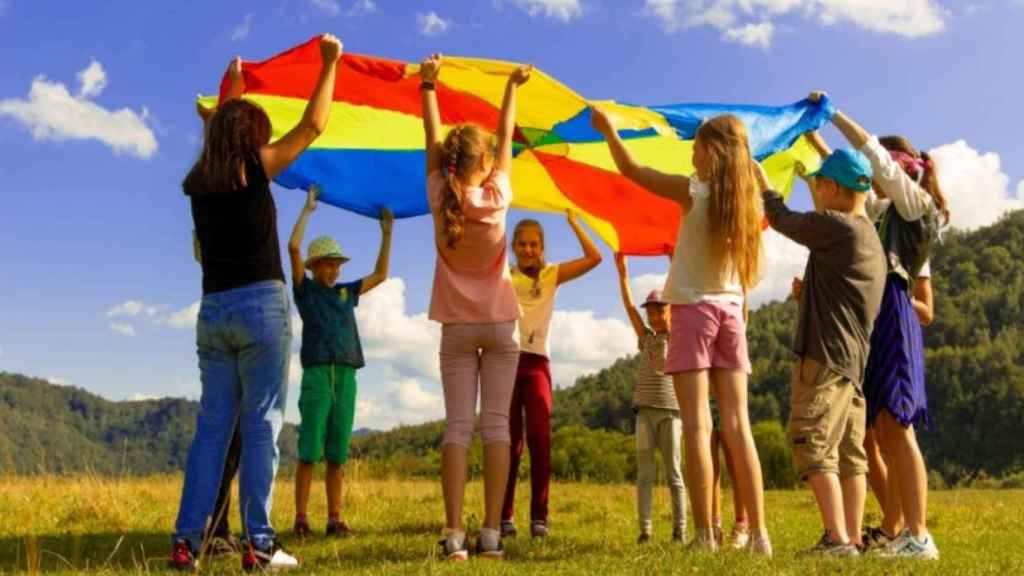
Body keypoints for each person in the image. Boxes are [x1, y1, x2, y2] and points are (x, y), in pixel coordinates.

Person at [170, 34, 342, 572]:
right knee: (263, 425)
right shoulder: (256, 168)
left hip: (213, 312)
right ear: (251, 137)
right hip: (260, 310)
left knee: (212, 430)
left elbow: (219, 136)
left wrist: (232, 92)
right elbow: (314, 125)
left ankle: (186, 542)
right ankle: (260, 545)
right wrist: (329, 65)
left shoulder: (199, 182)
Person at [591, 107, 772, 555]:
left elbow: (631, 168)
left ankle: (706, 536)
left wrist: (609, 130)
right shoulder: (750, 202)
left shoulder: (693, 191)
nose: (691, 153)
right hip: (731, 311)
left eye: (695, 146)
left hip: (692, 310)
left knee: (696, 425)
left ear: (712, 151)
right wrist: (752, 166)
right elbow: (761, 178)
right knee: (738, 425)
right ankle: (761, 537)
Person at [815, 93, 949, 560]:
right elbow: (850, 181)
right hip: (875, 314)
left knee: (898, 428)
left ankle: (918, 534)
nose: (873, 180)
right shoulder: (882, 212)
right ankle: (903, 533)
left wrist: (834, 116)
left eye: (882, 169)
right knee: (883, 430)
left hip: (894, 309)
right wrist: (812, 136)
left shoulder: (915, 207)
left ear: (900, 170)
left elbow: (869, 155)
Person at [420, 53, 531, 561]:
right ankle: (490, 533)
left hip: (456, 330)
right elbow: (508, 137)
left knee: (457, 428)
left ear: (448, 163)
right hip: (502, 327)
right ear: (484, 164)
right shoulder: (498, 196)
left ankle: (452, 534)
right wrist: (512, 86)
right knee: (497, 429)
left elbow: (432, 136)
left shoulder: (440, 195)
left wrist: (428, 86)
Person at [762, 142, 887, 556]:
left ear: (832, 187)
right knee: (851, 455)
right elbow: (845, 295)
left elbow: (781, 218)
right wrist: (810, 295)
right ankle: (851, 538)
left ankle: (835, 538)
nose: (816, 192)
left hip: (824, 357)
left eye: (819, 186)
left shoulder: (839, 226)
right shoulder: (868, 236)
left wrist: (765, 186)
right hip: (853, 365)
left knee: (812, 439)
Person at [287, 187, 393, 539]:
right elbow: (292, 249)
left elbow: (380, 274)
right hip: (317, 373)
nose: (333, 269)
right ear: (314, 266)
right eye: (327, 263)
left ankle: (335, 518)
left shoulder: (347, 292)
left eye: (336, 263)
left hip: (347, 373)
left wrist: (387, 233)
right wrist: (307, 210)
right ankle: (301, 519)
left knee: (337, 453)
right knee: (309, 452)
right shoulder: (306, 291)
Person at [499, 213, 602, 540]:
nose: (528, 249)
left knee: (540, 440)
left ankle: (539, 518)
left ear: (542, 247)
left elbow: (595, 257)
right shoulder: (504, 274)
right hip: (506, 362)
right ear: (514, 247)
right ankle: (504, 516)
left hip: (537, 364)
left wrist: (574, 221)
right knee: (509, 444)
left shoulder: (552, 274)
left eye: (534, 244)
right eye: (522, 244)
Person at [614, 254, 687, 545]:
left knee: (674, 472)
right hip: (644, 413)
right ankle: (645, 531)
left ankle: (680, 530)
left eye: (660, 311)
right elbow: (630, 308)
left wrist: (676, 263)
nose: (654, 317)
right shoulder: (645, 338)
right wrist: (622, 273)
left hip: (671, 413)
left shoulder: (679, 336)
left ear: (670, 311)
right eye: (651, 313)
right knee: (645, 475)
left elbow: (683, 296)